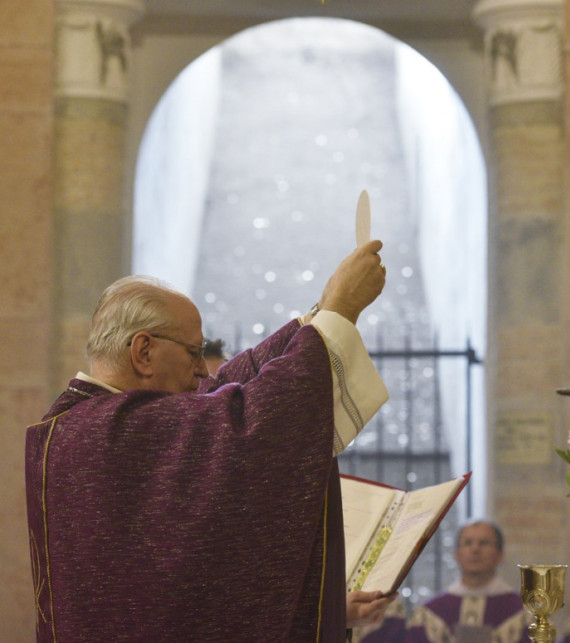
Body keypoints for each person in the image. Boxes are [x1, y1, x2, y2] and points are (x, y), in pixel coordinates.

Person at [25, 240, 396, 641]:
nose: (203, 369)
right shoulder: (115, 431)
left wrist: (317, 316)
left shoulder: (75, 425)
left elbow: (222, 389)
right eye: (192, 352)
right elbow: (251, 419)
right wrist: (341, 311)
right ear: (144, 352)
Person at [405, 519, 529, 642]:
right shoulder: (429, 615)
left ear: (500, 555)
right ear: (457, 554)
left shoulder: (524, 614)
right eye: (468, 543)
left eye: (484, 543)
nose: (475, 549)